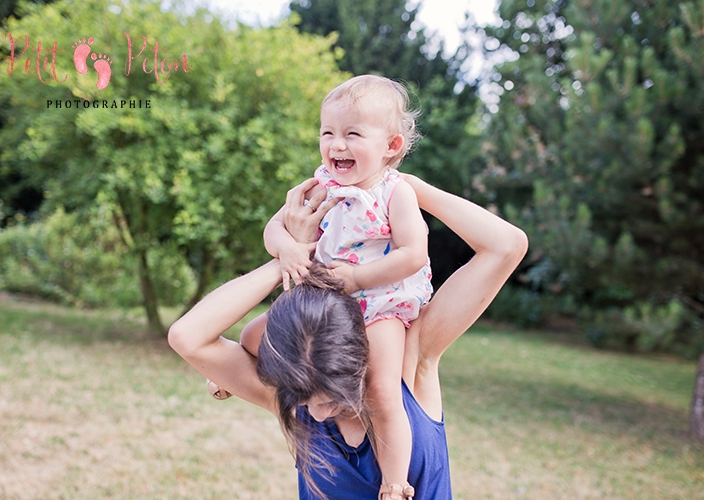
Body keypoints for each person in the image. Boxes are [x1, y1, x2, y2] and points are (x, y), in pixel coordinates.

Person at [168, 175, 528, 499]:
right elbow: (188, 336)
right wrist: (291, 256)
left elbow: (506, 246)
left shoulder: (407, 365)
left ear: (359, 358)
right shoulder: (295, 395)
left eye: (333, 400)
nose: (319, 415)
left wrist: (403, 187)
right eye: (307, 401)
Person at [238, 75, 432, 496]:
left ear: (391, 147)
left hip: (379, 300)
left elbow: (414, 253)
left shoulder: (395, 193)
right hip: (323, 298)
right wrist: (287, 250)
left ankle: (395, 482)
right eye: (328, 133)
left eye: (352, 134)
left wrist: (359, 278)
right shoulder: (319, 185)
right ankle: (232, 378)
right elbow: (273, 228)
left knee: (382, 390)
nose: (336, 145)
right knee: (253, 338)